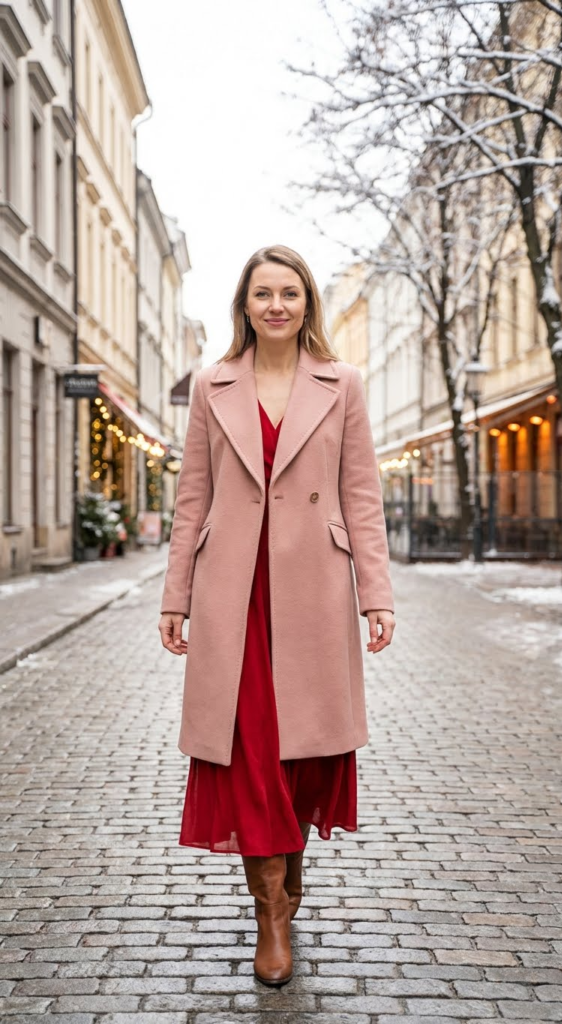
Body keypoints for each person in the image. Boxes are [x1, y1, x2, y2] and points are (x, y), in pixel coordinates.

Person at [158, 244, 395, 987]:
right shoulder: (213, 385)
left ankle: (288, 882)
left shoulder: (341, 383)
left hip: (313, 588)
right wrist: (175, 596)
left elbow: (362, 494)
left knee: (299, 753)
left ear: (307, 303)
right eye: (263, 293)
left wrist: (376, 594)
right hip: (234, 591)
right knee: (251, 751)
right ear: (245, 305)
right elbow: (192, 496)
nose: (276, 306)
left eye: (289, 293)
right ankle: (271, 915)